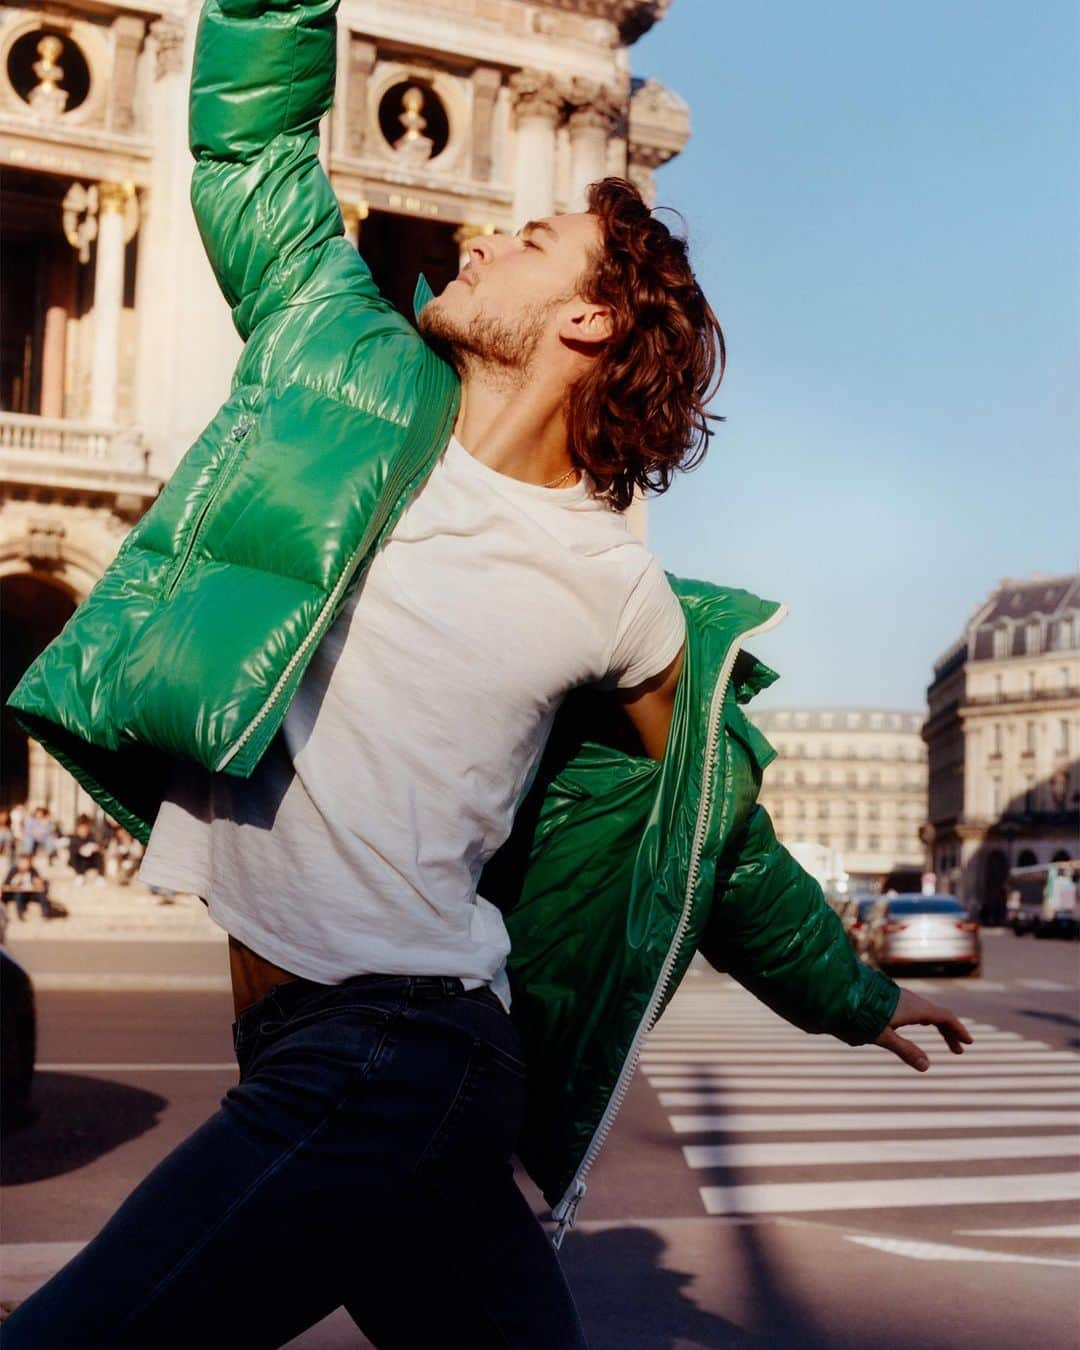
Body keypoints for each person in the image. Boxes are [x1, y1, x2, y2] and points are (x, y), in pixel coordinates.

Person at [2, 0, 973, 1343]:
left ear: (588, 317)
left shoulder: (617, 590)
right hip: (353, 1060)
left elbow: (710, 830)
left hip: (387, 1057)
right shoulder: (339, 362)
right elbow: (247, 152)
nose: (477, 232)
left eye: (526, 238)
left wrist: (851, 991)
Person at [2, 852, 52, 922]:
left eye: (26, 862)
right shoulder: (14, 870)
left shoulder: (33, 870)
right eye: (22, 862)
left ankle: (45, 913)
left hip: (31, 893)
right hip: (17, 893)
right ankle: (20, 913)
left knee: (41, 894)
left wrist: (38, 883)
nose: (24, 864)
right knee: (19, 894)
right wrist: (14, 883)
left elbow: (40, 884)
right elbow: (5, 885)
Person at [68, 815, 106, 886]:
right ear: (78, 828)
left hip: (90, 861)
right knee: (76, 854)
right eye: (81, 828)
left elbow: (99, 845)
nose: (83, 830)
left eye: (85, 828)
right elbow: (72, 850)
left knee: (98, 854)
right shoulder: (74, 838)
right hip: (78, 862)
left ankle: (100, 877)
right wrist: (80, 850)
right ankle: (80, 875)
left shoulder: (91, 837)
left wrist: (95, 848)